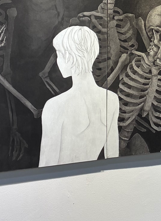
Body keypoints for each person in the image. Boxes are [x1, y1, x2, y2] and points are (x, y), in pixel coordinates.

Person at [39, 26, 118, 166]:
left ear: (70, 57)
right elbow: (113, 159)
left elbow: (47, 165)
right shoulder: (111, 99)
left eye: (59, 55)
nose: (57, 61)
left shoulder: (54, 106)